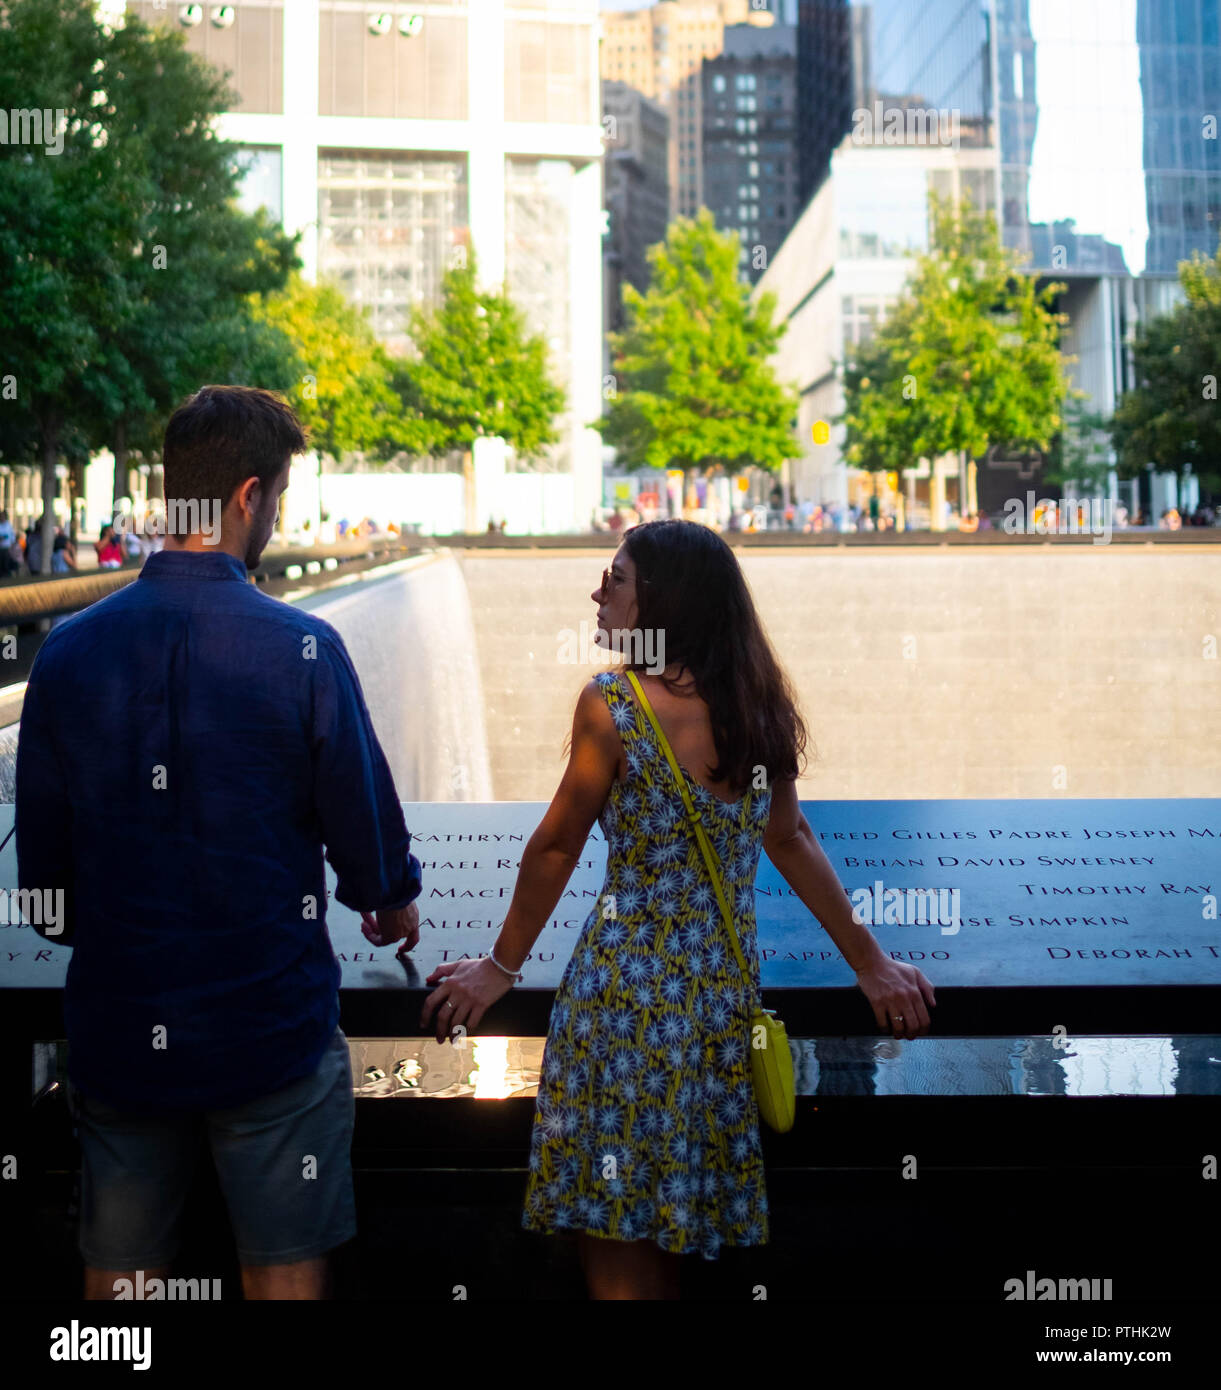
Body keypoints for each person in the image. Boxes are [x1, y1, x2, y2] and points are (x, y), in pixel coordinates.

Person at [421, 519, 936, 1299]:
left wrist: (499, 968)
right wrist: (871, 964)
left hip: (622, 1008)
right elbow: (788, 836)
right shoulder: (754, 704)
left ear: (663, 600)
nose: (596, 592)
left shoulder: (612, 706)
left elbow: (555, 847)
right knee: (673, 1225)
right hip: (716, 1009)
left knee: (619, 1242)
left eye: (616, 579)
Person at [16, 385, 423, 1301]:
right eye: (276, 498)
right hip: (268, 1033)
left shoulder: (67, 655)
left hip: (121, 1031)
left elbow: (46, 891)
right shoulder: (304, 650)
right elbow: (366, 843)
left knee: (121, 1289)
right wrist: (390, 900)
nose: (274, 518)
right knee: (284, 1277)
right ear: (247, 496)